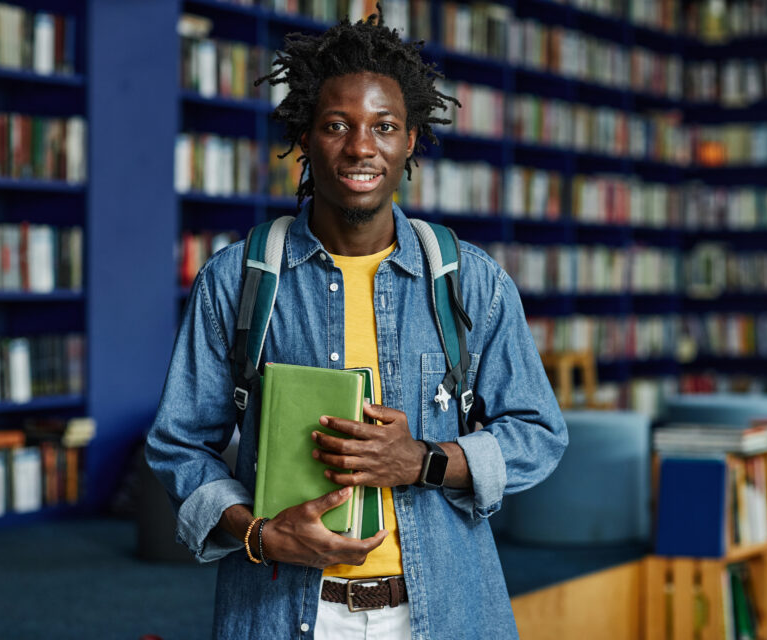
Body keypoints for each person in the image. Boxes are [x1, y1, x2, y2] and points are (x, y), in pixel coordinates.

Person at [145, 9, 567, 639]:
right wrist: (262, 534)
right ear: (307, 137)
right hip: (281, 611)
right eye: (338, 125)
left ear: (411, 141)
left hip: (443, 611)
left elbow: (538, 434)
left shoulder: (469, 280)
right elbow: (180, 445)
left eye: (385, 126)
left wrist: (424, 461)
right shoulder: (237, 279)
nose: (362, 147)